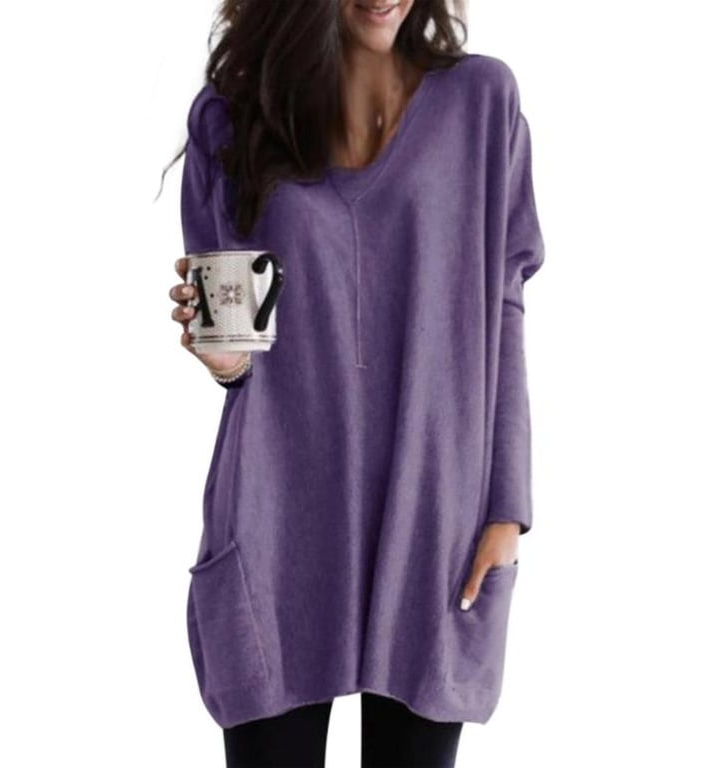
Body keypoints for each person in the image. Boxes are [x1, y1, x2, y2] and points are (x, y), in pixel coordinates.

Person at [167, 1, 545, 765]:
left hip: (433, 515)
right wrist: (225, 362)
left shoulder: (482, 104)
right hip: (276, 514)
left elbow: (503, 309)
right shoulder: (231, 119)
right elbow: (234, 329)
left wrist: (508, 510)